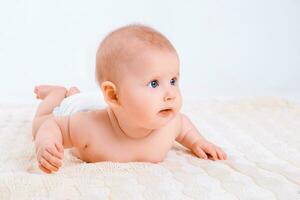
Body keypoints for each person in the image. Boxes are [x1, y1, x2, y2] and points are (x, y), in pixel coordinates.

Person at [32, 24, 227, 174]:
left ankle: (75, 92)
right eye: (154, 83)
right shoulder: (89, 127)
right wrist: (46, 143)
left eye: (173, 80)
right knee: (39, 124)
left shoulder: (169, 124)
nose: (171, 94)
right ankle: (57, 93)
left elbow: (183, 126)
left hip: (105, 103)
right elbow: (53, 127)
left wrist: (197, 141)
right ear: (114, 95)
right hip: (80, 107)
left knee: (82, 97)